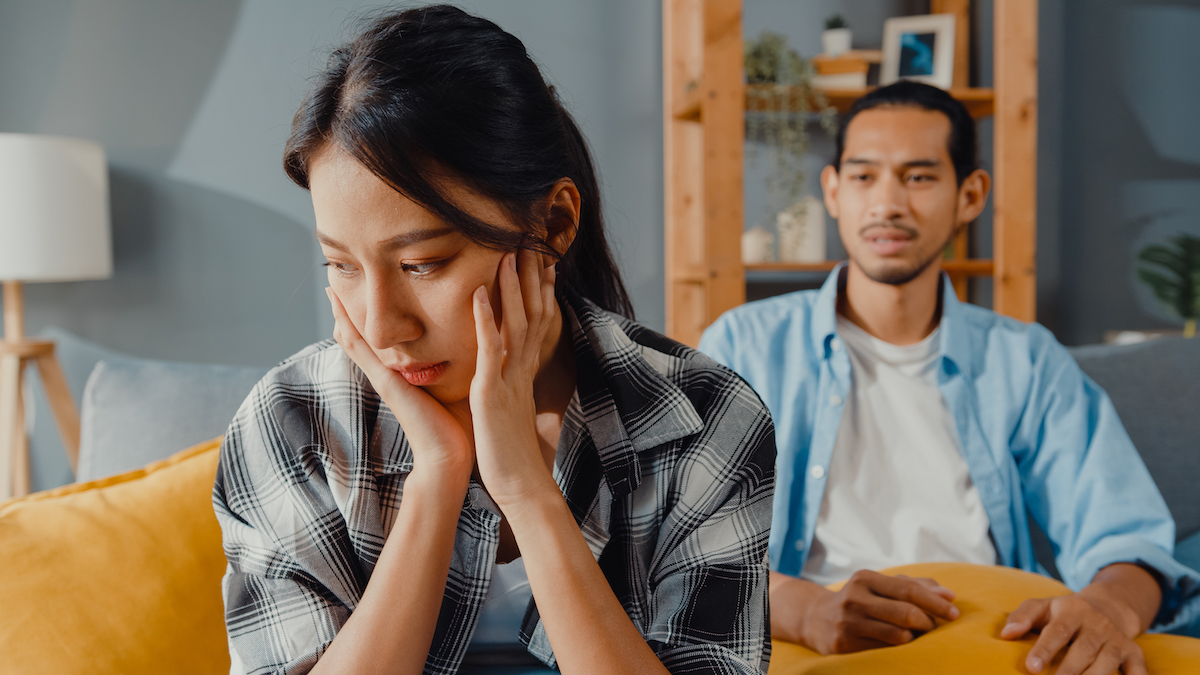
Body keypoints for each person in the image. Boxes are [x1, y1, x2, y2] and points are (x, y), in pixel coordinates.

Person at [212, 6, 775, 675]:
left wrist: (527, 491)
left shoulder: (704, 418)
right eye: (342, 265)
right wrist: (438, 477)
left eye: (422, 264)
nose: (383, 324)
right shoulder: (292, 421)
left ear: (555, 223)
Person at [700, 81, 1200, 675]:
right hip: (814, 641)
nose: (888, 204)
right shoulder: (744, 345)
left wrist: (1105, 609)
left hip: (998, 638)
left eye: (918, 177)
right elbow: (690, 554)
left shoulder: (1027, 361)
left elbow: (1129, 542)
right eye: (863, 177)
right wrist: (807, 612)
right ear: (832, 191)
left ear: (970, 194)